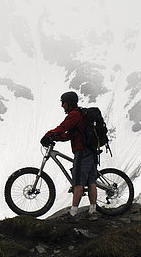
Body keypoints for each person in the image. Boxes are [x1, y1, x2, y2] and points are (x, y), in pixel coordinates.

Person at [40, 91, 98, 220]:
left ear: (69, 103)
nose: (62, 106)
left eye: (63, 103)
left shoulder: (74, 115)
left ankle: (73, 213)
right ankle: (93, 211)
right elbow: (69, 134)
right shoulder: (79, 116)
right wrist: (56, 138)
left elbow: (63, 127)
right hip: (90, 151)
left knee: (78, 182)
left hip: (82, 151)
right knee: (91, 180)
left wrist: (48, 135)